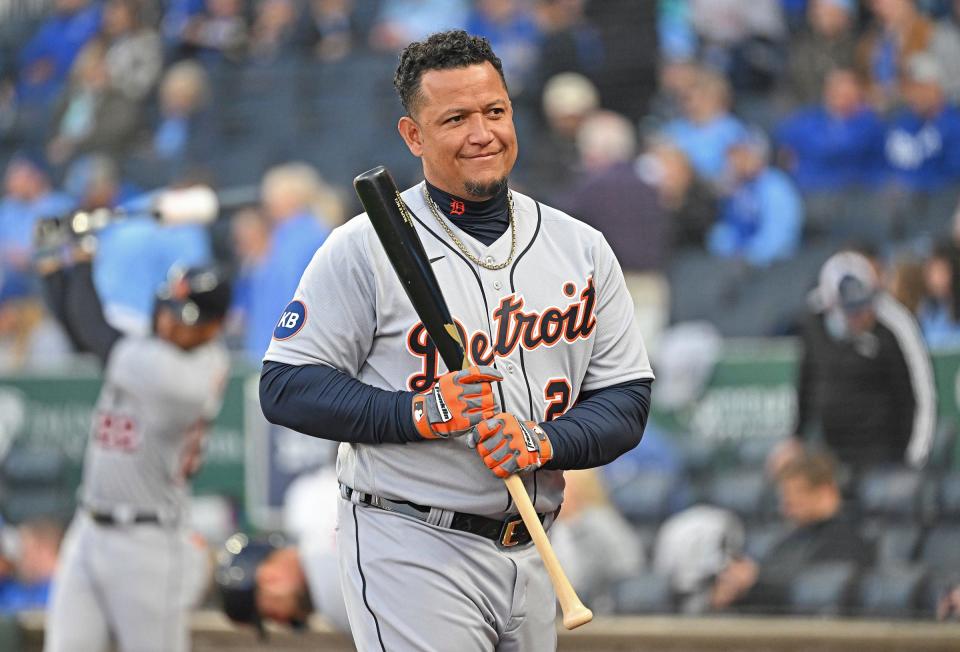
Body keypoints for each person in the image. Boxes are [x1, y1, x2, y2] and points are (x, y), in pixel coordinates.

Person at [259, 30, 653, 650]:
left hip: (534, 547)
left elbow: (626, 403)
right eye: (456, 118)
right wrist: (420, 411)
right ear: (414, 136)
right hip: (410, 540)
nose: (482, 133)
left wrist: (541, 441)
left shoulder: (581, 247)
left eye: (494, 112)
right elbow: (284, 386)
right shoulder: (362, 247)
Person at [36, 214, 232, 652]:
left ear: (214, 326)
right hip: (88, 527)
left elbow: (93, 330)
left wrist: (84, 256)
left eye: (186, 318)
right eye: (169, 310)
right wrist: (53, 261)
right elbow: (77, 328)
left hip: (148, 544)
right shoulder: (157, 345)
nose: (169, 323)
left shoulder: (189, 373)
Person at [773, 250, 937, 474]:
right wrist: (796, 438)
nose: (860, 316)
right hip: (831, 453)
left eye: (863, 306)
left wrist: (913, 458)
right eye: (850, 310)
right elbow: (806, 384)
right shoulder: (814, 323)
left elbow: (919, 394)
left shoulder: (893, 325)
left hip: (883, 455)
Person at [711, 450, 870, 613]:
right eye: (785, 499)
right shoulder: (789, 540)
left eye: (795, 498)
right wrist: (736, 590)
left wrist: (754, 584)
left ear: (825, 491)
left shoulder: (847, 541)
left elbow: (815, 593)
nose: (785, 508)